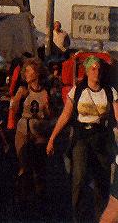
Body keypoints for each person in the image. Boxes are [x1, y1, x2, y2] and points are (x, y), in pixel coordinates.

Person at [47, 56, 118, 222]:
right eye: (92, 68)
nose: (97, 71)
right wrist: (52, 138)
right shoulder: (77, 90)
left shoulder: (110, 91)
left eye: (99, 68)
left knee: (102, 180)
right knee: (78, 177)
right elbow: (65, 115)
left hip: (101, 137)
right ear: (86, 71)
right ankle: (77, 217)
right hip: (81, 137)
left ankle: (101, 216)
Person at [12, 58, 51, 196]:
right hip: (23, 131)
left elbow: (49, 115)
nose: (26, 74)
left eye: (29, 71)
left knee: (39, 166)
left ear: (37, 73)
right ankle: (21, 194)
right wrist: (16, 100)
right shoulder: (22, 90)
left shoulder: (46, 92)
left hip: (39, 133)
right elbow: (14, 111)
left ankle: (39, 196)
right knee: (24, 164)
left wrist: (47, 106)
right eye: (25, 71)